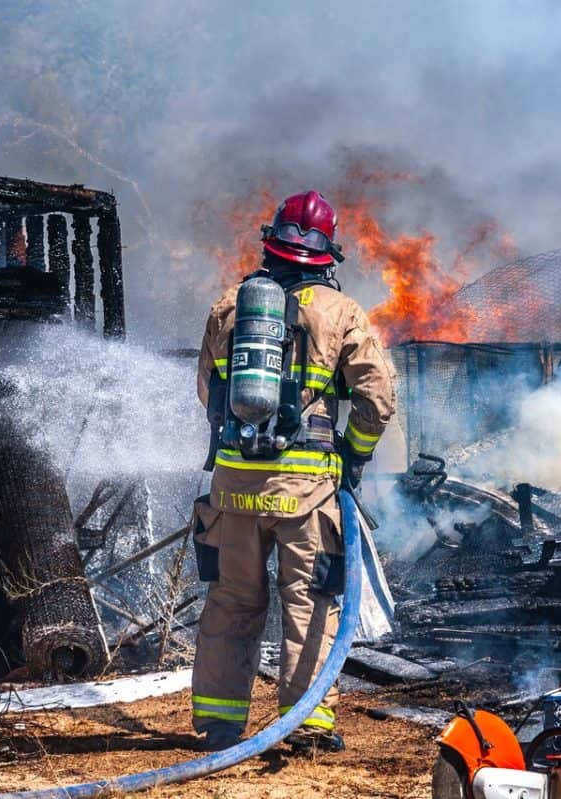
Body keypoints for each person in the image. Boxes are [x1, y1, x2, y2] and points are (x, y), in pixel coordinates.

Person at [191, 189, 396, 753]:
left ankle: (219, 723)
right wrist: (353, 454)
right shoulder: (342, 313)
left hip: (232, 492)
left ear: (272, 244)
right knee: (308, 601)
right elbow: (377, 400)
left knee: (231, 601)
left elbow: (207, 391)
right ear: (326, 255)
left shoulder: (229, 306)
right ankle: (306, 724)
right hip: (306, 495)